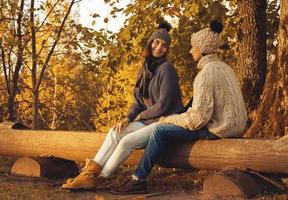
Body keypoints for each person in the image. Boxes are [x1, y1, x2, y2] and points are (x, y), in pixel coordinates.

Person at [112, 20, 248, 195]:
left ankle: (138, 179)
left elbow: (198, 119)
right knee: (170, 124)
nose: (191, 51)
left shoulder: (205, 75)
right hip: (237, 127)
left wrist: (167, 119)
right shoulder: (225, 68)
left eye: (193, 47)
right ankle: (138, 178)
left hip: (218, 130)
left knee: (160, 130)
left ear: (202, 48)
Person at [61, 22, 184, 190]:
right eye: (156, 42)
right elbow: (138, 101)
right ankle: (87, 175)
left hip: (164, 122)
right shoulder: (145, 69)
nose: (159, 47)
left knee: (126, 141)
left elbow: (164, 105)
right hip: (148, 120)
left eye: (164, 45)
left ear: (167, 49)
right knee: (115, 132)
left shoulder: (167, 69)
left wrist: (139, 117)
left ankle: (100, 178)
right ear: (150, 42)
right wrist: (127, 118)